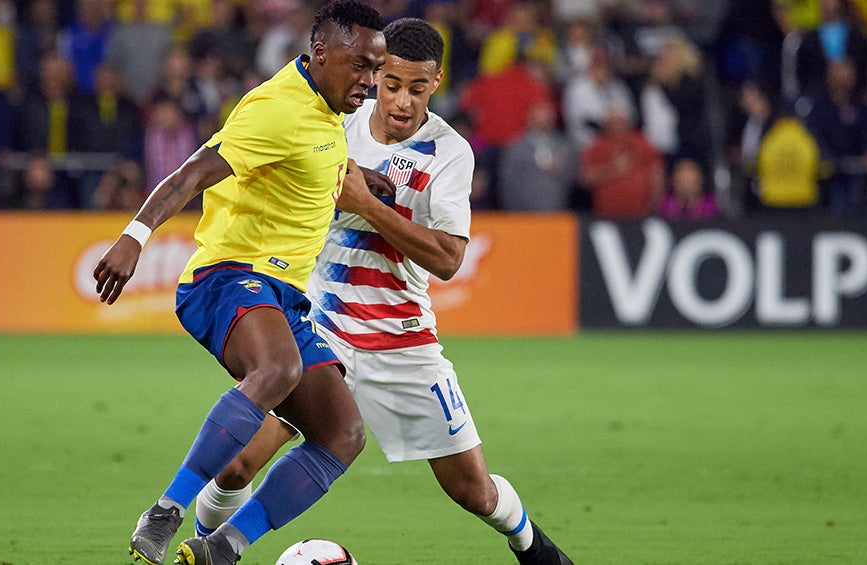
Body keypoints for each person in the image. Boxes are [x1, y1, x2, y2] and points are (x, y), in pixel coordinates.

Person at [192, 18, 575, 565]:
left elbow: (448, 258)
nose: (401, 100)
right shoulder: (333, 124)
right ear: (374, 74)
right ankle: (211, 553)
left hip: (403, 342)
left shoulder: (449, 152)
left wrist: (367, 205)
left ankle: (533, 546)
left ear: (436, 82)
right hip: (318, 329)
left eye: (416, 89)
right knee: (236, 464)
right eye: (391, 84)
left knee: (474, 492)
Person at [91, 2, 387, 565]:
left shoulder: (328, 109)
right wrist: (135, 235)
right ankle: (166, 511)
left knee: (342, 434)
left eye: (375, 68)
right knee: (277, 368)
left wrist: (364, 180)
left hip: (284, 297)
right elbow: (192, 173)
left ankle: (224, 545)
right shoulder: (277, 108)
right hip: (226, 276)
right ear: (320, 53)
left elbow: (314, 162)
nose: (369, 83)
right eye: (359, 66)